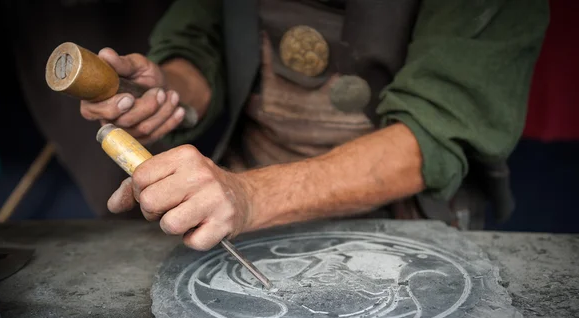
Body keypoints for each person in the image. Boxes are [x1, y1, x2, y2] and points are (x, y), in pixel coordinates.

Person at [79, 0, 549, 251]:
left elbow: (435, 129)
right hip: (238, 208)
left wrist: (250, 196)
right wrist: (163, 94)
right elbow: (200, 38)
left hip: (405, 221)